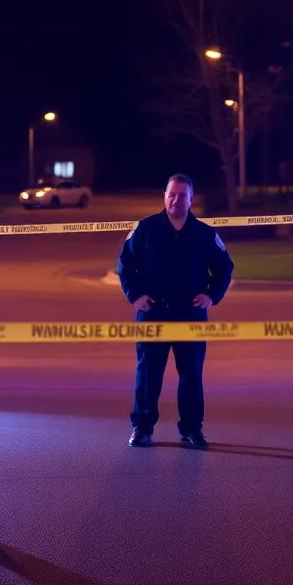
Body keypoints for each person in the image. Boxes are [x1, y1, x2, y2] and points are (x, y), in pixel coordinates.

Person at [117, 173, 235, 448]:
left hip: (189, 314)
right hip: (153, 313)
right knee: (148, 374)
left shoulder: (204, 234)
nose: (175, 200)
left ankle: (192, 430)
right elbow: (125, 264)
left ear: (191, 200)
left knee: (191, 374)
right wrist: (135, 296)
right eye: (171, 194)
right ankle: (142, 428)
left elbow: (224, 267)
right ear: (164, 197)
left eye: (182, 195)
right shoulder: (145, 229)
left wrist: (211, 296)